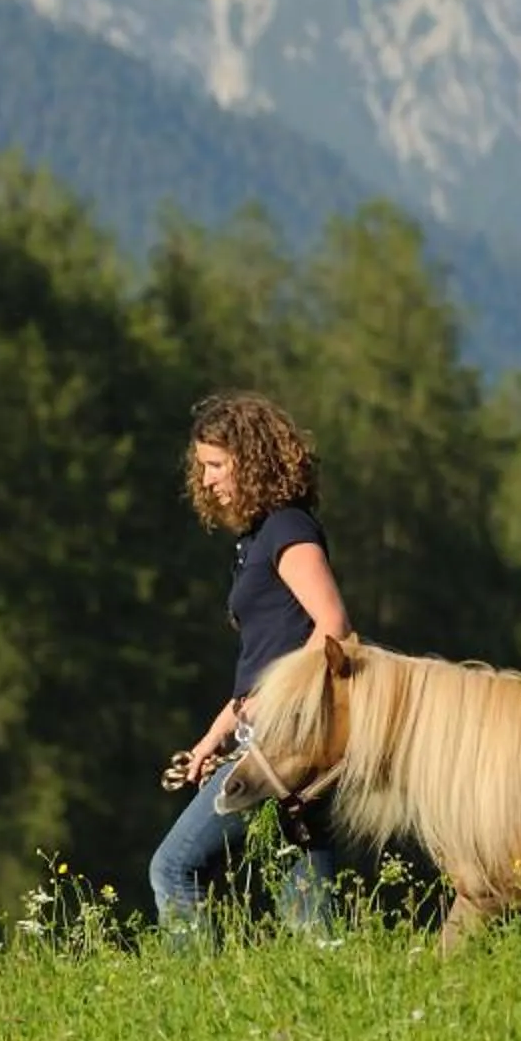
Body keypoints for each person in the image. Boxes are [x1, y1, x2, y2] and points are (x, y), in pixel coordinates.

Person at [149, 391, 353, 941]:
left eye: (217, 465)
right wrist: (211, 739)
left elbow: (334, 624)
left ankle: (193, 1004)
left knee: (174, 869)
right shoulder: (257, 538)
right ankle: (339, 997)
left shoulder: (288, 530)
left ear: (251, 458)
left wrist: (271, 704)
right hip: (274, 729)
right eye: (203, 468)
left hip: (285, 735)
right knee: (304, 885)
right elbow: (262, 660)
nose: (208, 479)